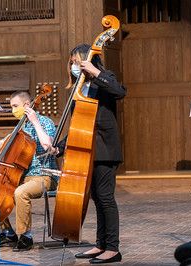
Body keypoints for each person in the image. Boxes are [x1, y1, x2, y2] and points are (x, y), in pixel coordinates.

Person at [58, 43, 126, 264]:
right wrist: (59, 147)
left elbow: (120, 91)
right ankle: (100, 244)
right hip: (87, 150)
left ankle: (113, 249)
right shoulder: (79, 89)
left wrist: (96, 72)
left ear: (89, 61)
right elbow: (79, 126)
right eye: (72, 63)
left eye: (77, 61)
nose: (74, 66)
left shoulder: (104, 78)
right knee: (97, 198)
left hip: (105, 149)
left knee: (106, 198)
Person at [0, 91, 57, 252]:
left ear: (27, 105)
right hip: (22, 176)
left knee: (20, 193)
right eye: (11, 107)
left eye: (15, 106)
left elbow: (48, 145)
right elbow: (5, 142)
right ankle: (7, 233)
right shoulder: (21, 126)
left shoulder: (45, 122)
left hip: (43, 176)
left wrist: (35, 122)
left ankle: (26, 236)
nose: (13, 110)